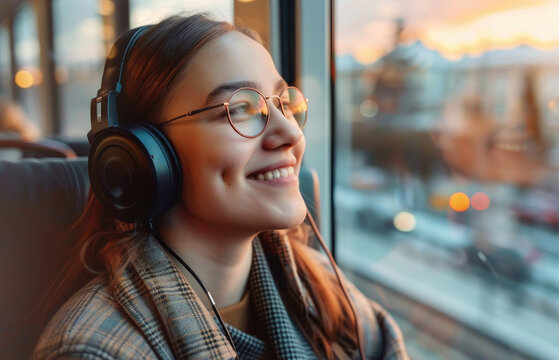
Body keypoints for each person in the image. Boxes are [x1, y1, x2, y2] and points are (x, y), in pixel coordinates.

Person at [33, 13, 408, 360]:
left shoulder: (320, 287)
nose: (291, 134)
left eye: (284, 104)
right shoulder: (94, 350)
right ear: (144, 155)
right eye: (240, 108)